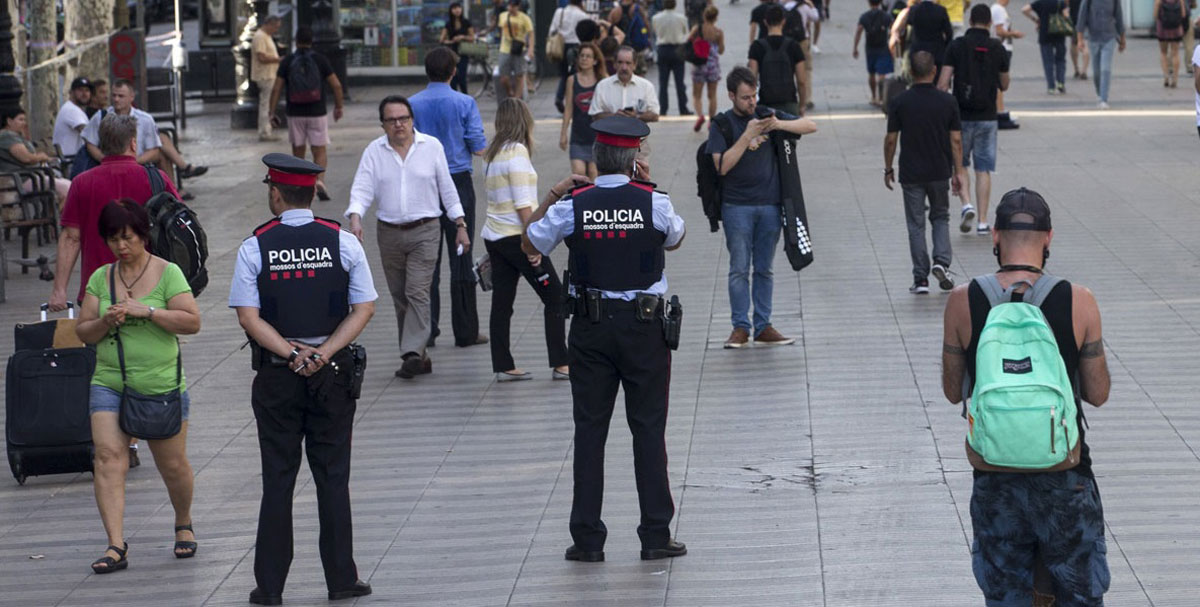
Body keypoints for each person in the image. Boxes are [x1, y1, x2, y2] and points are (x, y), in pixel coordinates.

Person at [520, 115, 688, 565]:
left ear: (595, 158)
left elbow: (530, 242)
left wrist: (556, 191)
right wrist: (648, 188)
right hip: (644, 328)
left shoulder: (572, 204)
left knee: (590, 432)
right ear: (634, 158)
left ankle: (588, 539)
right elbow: (675, 238)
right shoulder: (653, 201)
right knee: (648, 430)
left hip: (591, 330)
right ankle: (655, 534)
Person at [941, 188, 1112, 607]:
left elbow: (951, 391)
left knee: (1006, 597)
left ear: (995, 236)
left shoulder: (963, 301)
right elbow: (1097, 394)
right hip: (1065, 477)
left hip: (995, 477)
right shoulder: (1080, 301)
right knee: (1078, 593)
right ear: (1048, 237)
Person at [230, 154, 377, 605]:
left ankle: (270, 587)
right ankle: (340, 579)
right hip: (332, 375)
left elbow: (248, 317)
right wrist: (325, 353)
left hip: (278, 375)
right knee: (333, 477)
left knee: (278, 478)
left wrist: (292, 353)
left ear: (276, 193)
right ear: (312, 192)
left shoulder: (255, 246)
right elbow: (364, 307)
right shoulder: (343, 241)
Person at [74, 199, 201, 573]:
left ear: (143, 234)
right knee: (108, 457)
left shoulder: (168, 273)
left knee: (172, 464)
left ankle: (183, 522)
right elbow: (83, 331)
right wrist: (106, 322)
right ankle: (115, 544)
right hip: (109, 380)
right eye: (113, 239)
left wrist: (146, 311)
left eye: (127, 237)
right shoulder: (101, 278)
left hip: (160, 383)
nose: (120, 246)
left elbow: (192, 322)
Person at [345, 96, 470, 379]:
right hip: (388, 232)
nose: (399, 124)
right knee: (401, 295)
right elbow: (362, 188)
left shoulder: (431, 147)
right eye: (392, 120)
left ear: (413, 120)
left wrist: (459, 223)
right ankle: (420, 355)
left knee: (417, 290)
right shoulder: (374, 152)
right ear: (383, 125)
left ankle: (411, 353)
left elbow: (447, 188)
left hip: (426, 230)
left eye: (404, 118)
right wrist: (355, 216)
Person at [708, 67, 817, 348]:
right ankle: (740, 327)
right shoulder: (722, 124)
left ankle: (763, 324)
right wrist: (746, 137)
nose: (752, 102)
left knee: (765, 268)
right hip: (737, 207)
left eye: (754, 95)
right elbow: (722, 166)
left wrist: (778, 124)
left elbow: (810, 125)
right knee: (739, 268)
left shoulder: (766, 114)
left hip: (770, 205)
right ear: (731, 95)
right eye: (745, 97)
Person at [51, 114, 181, 312]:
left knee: (99, 341)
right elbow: (179, 224)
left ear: (101, 145)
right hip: (151, 288)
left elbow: (71, 238)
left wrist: (59, 290)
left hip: (99, 291)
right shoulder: (156, 179)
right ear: (133, 143)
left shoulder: (81, 183)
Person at [480, 99, 570, 382]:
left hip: (495, 237)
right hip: (518, 239)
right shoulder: (517, 152)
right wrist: (534, 244)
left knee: (502, 303)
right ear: (524, 121)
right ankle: (562, 362)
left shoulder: (492, 154)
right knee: (555, 297)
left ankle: (503, 364)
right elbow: (523, 206)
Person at [409, 47, 489, 349]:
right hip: (457, 181)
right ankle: (466, 330)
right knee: (461, 254)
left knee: (426, 258)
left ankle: (426, 330)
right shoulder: (465, 102)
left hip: (424, 183)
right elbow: (478, 144)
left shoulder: (413, 104)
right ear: (454, 71)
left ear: (426, 72)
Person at [884, 51, 965, 295]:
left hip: (911, 173)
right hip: (939, 170)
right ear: (933, 72)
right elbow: (956, 140)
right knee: (940, 217)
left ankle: (920, 279)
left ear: (910, 72)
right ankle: (941, 262)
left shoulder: (900, 101)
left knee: (915, 224)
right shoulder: (947, 102)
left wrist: (888, 168)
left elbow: (890, 139)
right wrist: (958, 172)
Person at [939, 4, 1010, 236]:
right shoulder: (997, 47)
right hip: (988, 117)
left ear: (970, 22)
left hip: (961, 115)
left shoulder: (957, 45)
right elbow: (1005, 84)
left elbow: (943, 83)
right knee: (984, 169)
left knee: (960, 164)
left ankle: (966, 204)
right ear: (989, 23)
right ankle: (981, 222)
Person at [269, 26, 345, 201]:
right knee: (319, 149)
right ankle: (319, 181)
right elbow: (337, 85)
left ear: (296, 41)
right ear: (312, 41)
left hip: (295, 112)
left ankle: (300, 184)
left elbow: (276, 88)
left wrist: (271, 112)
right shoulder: (320, 60)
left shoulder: (287, 61)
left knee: (298, 151)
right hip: (317, 112)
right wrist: (338, 106)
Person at [590, 46, 661, 159]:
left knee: (638, 176)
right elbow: (595, 115)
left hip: (638, 146)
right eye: (620, 62)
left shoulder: (646, 86)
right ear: (614, 64)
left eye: (628, 63)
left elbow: (655, 115)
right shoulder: (603, 86)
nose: (624, 67)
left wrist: (636, 116)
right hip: (609, 146)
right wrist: (615, 117)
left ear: (635, 64)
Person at [81, 80, 162, 167]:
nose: (116, 99)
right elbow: (90, 143)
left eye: (121, 96)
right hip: (108, 169)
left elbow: (154, 151)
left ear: (131, 97)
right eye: (114, 95)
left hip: (138, 168)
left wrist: (133, 162)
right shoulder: (101, 116)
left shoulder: (145, 119)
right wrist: (104, 160)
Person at [0, 107, 71, 202]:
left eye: (24, 120)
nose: (24, 123)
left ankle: (54, 214)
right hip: (24, 178)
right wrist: (41, 157)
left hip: (33, 175)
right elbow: (26, 158)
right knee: (67, 189)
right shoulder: (7, 136)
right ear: (9, 121)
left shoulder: (15, 136)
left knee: (69, 186)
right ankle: (61, 216)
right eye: (20, 119)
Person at [749, 4, 808, 116]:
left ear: (765, 22)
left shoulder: (757, 46)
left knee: (767, 133)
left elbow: (752, 78)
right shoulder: (794, 46)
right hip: (789, 103)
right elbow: (802, 81)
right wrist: (802, 105)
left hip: (766, 104)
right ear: (783, 21)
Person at [560, 42, 607, 180]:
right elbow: (568, 108)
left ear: (595, 60)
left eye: (588, 56)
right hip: (578, 137)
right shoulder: (572, 80)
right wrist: (563, 133)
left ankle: (592, 201)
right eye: (582, 56)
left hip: (597, 137)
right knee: (578, 173)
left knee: (594, 174)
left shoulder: (602, 80)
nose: (584, 59)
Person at [1075, 0, 1125, 108]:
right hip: (1093, 38)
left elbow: (1119, 17)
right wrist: (1080, 39)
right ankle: (1099, 92)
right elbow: (1081, 18)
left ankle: (1103, 99)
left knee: (1105, 68)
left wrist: (1122, 39)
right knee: (1097, 71)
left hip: (1109, 37)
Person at [652, 0, 692, 116]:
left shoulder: (656, 18)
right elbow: (685, 32)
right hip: (677, 49)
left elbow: (656, 33)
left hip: (663, 49)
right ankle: (683, 108)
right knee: (680, 82)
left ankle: (663, 109)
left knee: (663, 82)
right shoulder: (682, 18)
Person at [689, 7, 725, 132]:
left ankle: (700, 116)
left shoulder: (697, 29)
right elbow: (721, 50)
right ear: (715, 18)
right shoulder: (718, 32)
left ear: (704, 16)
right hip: (712, 66)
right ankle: (711, 120)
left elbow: (689, 41)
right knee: (712, 95)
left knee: (697, 95)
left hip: (699, 65)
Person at [549, 0, 590, 112]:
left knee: (564, 75)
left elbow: (552, 30)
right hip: (575, 47)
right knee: (575, 75)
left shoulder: (560, 12)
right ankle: (573, 101)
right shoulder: (582, 15)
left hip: (561, 47)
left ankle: (559, 97)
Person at [1024, 0, 1071, 94]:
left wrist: (1036, 20)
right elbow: (1066, 16)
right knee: (1060, 60)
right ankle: (1061, 82)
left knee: (1048, 62)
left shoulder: (1040, 3)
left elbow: (1024, 10)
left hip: (1044, 35)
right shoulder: (1060, 3)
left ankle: (1051, 87)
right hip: (1059, 34)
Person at [854, 0, 895, 107]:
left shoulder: (864, 16)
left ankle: (873, 96)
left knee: (871, 73)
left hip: (870, 48)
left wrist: (855, 47)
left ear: (869, 3)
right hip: (883, 47)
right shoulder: (886, 16)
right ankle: (881, 97)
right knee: (882, 75)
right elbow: (893, 29)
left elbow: (859, 31)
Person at [991, 0, 1023, 128]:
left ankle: (999, 111)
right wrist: (1013, 34)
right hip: (1002, 47)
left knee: (999, 83)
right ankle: (1000, 112)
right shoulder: (998, 9)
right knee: (1000, 82)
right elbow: (999, 31)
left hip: (1004, 46)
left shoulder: (999, 9)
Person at [897, 0, 954, 69]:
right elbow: (949, 33)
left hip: (918, 49)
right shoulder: (941, 10)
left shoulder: (914, 9)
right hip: (936, 50)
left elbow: (909, 23)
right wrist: (945, 46)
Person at [252, 15, 283, 142]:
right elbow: (262, 57)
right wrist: (278, 59)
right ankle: (264, 132)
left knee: (267, 103)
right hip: (265, 75)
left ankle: (267, 129)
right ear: (269, 24)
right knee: (265, 103)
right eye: (275, 27)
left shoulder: (266, 36)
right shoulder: (260, 36)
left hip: (270, 74)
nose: (276, 30)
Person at [498, 0, 535, 100]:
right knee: (503, 77)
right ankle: (510, 90)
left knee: (519, 75)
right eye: (510, 5)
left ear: (518, 7)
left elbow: (531, 34)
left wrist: (530, 49)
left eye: (513, 6)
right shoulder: (503, 16)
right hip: (504, 49)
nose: (511, 8)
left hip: (519, 49)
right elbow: (502, 31)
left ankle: (517, 99)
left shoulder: (524, 18)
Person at [440, 3, 476, 94]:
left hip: (463, 52)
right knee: (453, 78)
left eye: (459, 8)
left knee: (462, 77)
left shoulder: (466, 22)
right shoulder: (448, 24)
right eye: (454, 8)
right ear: (451, 11)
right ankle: (454, 97)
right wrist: (451, 41)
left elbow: (472, 38)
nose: (457, 10)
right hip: (452, 53)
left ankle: (465, 97)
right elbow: (442, 40)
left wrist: (462, 37)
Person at [53, 77, 92, 158]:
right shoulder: (71, 110)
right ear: (71, 92)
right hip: (70, 161)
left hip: (74, 159)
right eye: (80, 90)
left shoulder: (75, 109)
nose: (84, 94)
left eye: (87, 90)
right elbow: (87, 134)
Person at [1155, 0, 1187, 87]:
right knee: (1175, 53)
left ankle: (1166, 77)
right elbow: (1183, 14)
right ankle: (1175, 78)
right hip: (1176, 28)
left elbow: (1155, 14)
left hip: (1163, 28)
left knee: (1163, 52)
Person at [1068, 0, 1091, 78]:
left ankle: (1076, 69)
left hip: (1074, 21)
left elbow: (1065, 4)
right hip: (1087, 22)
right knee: (1085, 45)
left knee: (1073, 44)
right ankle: (1084, 71)